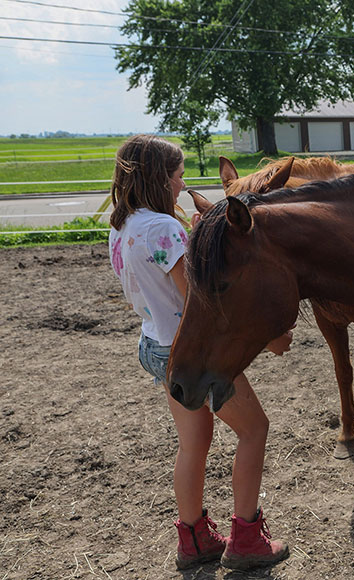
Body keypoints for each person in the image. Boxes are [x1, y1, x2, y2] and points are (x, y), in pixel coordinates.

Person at [108, 134, 292, 571]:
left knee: (193, 443)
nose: (182, 183)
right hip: (191, 351)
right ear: (159, 178)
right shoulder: (164, 229)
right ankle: (247, 539)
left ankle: (193, 539)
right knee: (254, 430)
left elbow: (150, 284)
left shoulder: (123, 227)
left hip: (155, 344)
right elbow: (199, 301)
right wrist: (270, 337)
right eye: (178, 175)